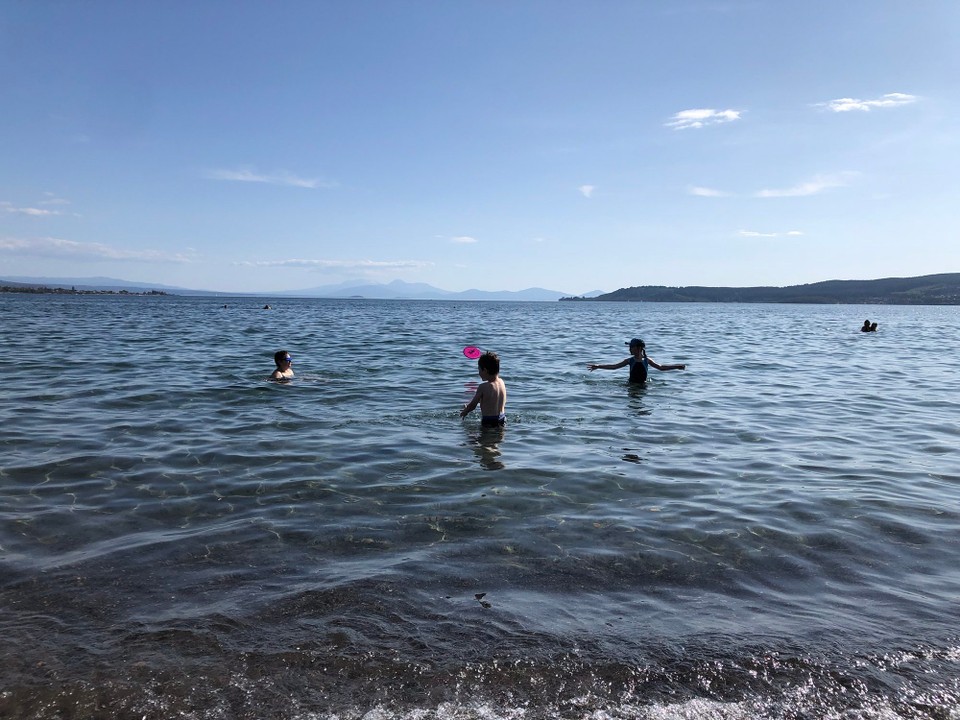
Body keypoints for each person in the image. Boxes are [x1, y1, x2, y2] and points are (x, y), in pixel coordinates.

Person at [588, 338, 685, 383]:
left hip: (643, 386)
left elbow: (661, 367)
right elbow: (614, 367)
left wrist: (676, 366)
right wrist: (598, 366)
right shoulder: (630, 360)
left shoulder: (647, 360)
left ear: (638, 348)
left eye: (631, 347)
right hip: (631, 385)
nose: (629, 349)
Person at [460, 351, 507, 427]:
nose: (479, 373)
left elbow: (472, 405)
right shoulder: (502, 382)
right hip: (502, 419)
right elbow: (491, 399)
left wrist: (465, 411)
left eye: (479, 370)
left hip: (488, 421)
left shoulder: (483, 387)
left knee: (481, 439)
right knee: (498, 438)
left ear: (485, 370)